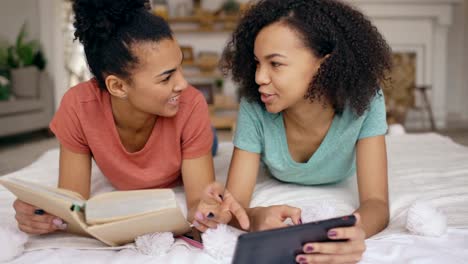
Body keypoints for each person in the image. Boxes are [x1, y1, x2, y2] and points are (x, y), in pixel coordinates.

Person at [12, 0, 248, 235]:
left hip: (189, 128)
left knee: (210, 139)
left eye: (180, 68)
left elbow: (198, 203)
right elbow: (73, 201)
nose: (183, 83)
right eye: (166, 78)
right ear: (118, 86)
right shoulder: (78, 107)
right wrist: (43, 214)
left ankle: (209, 136)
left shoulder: (191, 103)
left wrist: (207, 212)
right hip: (178, 127)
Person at [193, 0, 392, 263]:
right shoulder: (255, 105)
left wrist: (350, 232)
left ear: (324, 63)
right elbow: (235, 205)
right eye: (257, 63)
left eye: (275, 64)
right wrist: (255, 218)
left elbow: (377, 202)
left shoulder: (366, 101)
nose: (259, 78)